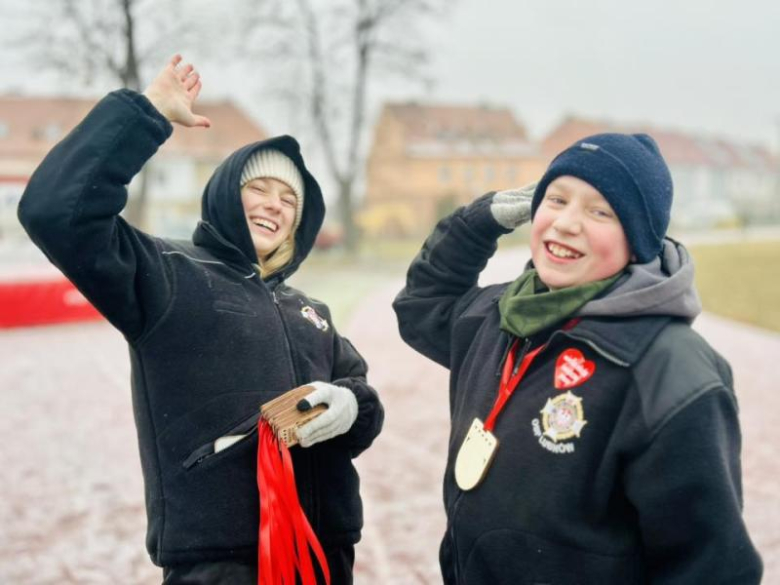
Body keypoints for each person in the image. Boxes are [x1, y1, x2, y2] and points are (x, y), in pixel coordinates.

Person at [18, 55, 383, 584]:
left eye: (289, 199)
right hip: (222, 561)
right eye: (259, 188)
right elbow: (56, 212)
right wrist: (147, 113)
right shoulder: (169, 273)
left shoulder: (311, 312)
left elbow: (361, 398)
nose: (274, 205)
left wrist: (350, 406)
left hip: (324, 555)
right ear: (226, 193)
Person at [393, 133, 762, 583]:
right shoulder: (499, 313)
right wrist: (477, 224)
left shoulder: (669, 369)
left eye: (599, 211)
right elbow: (422, 306)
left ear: (638, 240)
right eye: (557, 200)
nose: (567, 223)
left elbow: (711, 566)